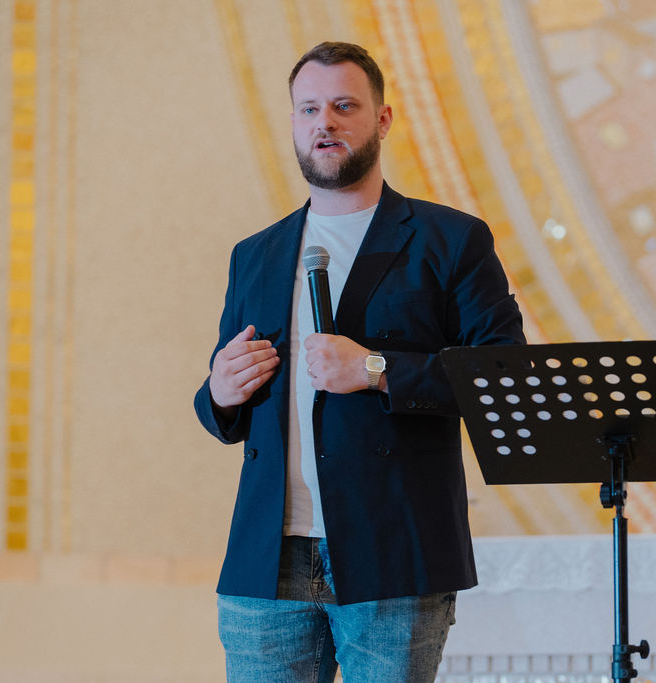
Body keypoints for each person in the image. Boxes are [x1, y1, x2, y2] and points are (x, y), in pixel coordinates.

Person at [193, 41, 525, 682]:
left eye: (344, 106)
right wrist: (220, 391)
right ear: (294, 123)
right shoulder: (254, 254)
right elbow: (224, 409)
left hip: (392, 551)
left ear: (383, 119)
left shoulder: (450, 239)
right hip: (267, 558)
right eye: (309, 108)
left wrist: (376, 370)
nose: (325, 122)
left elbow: (504, 377)